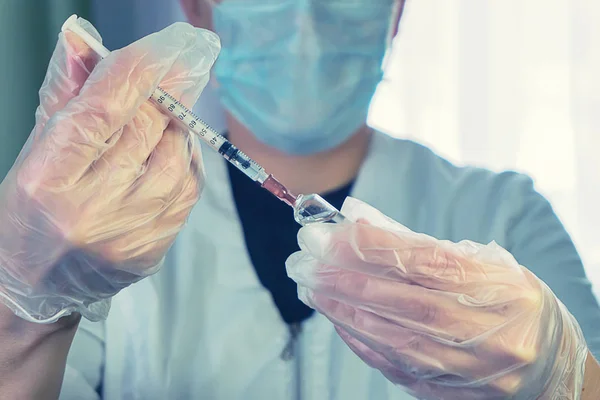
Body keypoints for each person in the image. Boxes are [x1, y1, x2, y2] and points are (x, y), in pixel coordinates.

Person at [0, 1, 599, 399]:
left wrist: (564, 378)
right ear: (199, 6)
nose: (307, 17)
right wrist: (22, 309)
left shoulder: (506, 215)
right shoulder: (103, 225)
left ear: (396, 12)